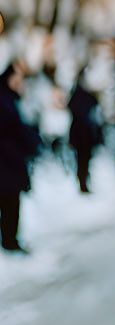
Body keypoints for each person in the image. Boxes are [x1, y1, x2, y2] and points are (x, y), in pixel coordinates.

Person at [0, 61, 42, 253]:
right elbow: (14, 127)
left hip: (11, 159)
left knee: (11, 201)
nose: (19, 81)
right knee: (9, 202)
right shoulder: (5, 99)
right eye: (16, 77)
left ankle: (10, 240)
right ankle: (10, 241)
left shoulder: (12, 98)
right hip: (7, 159)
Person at [67, 69, 104, 193]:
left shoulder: (88, 96)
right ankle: (82, 184)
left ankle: (84, 183)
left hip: (87, 135)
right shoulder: (78, 95)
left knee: (85, 160)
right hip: (81, 135)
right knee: (81, 161)